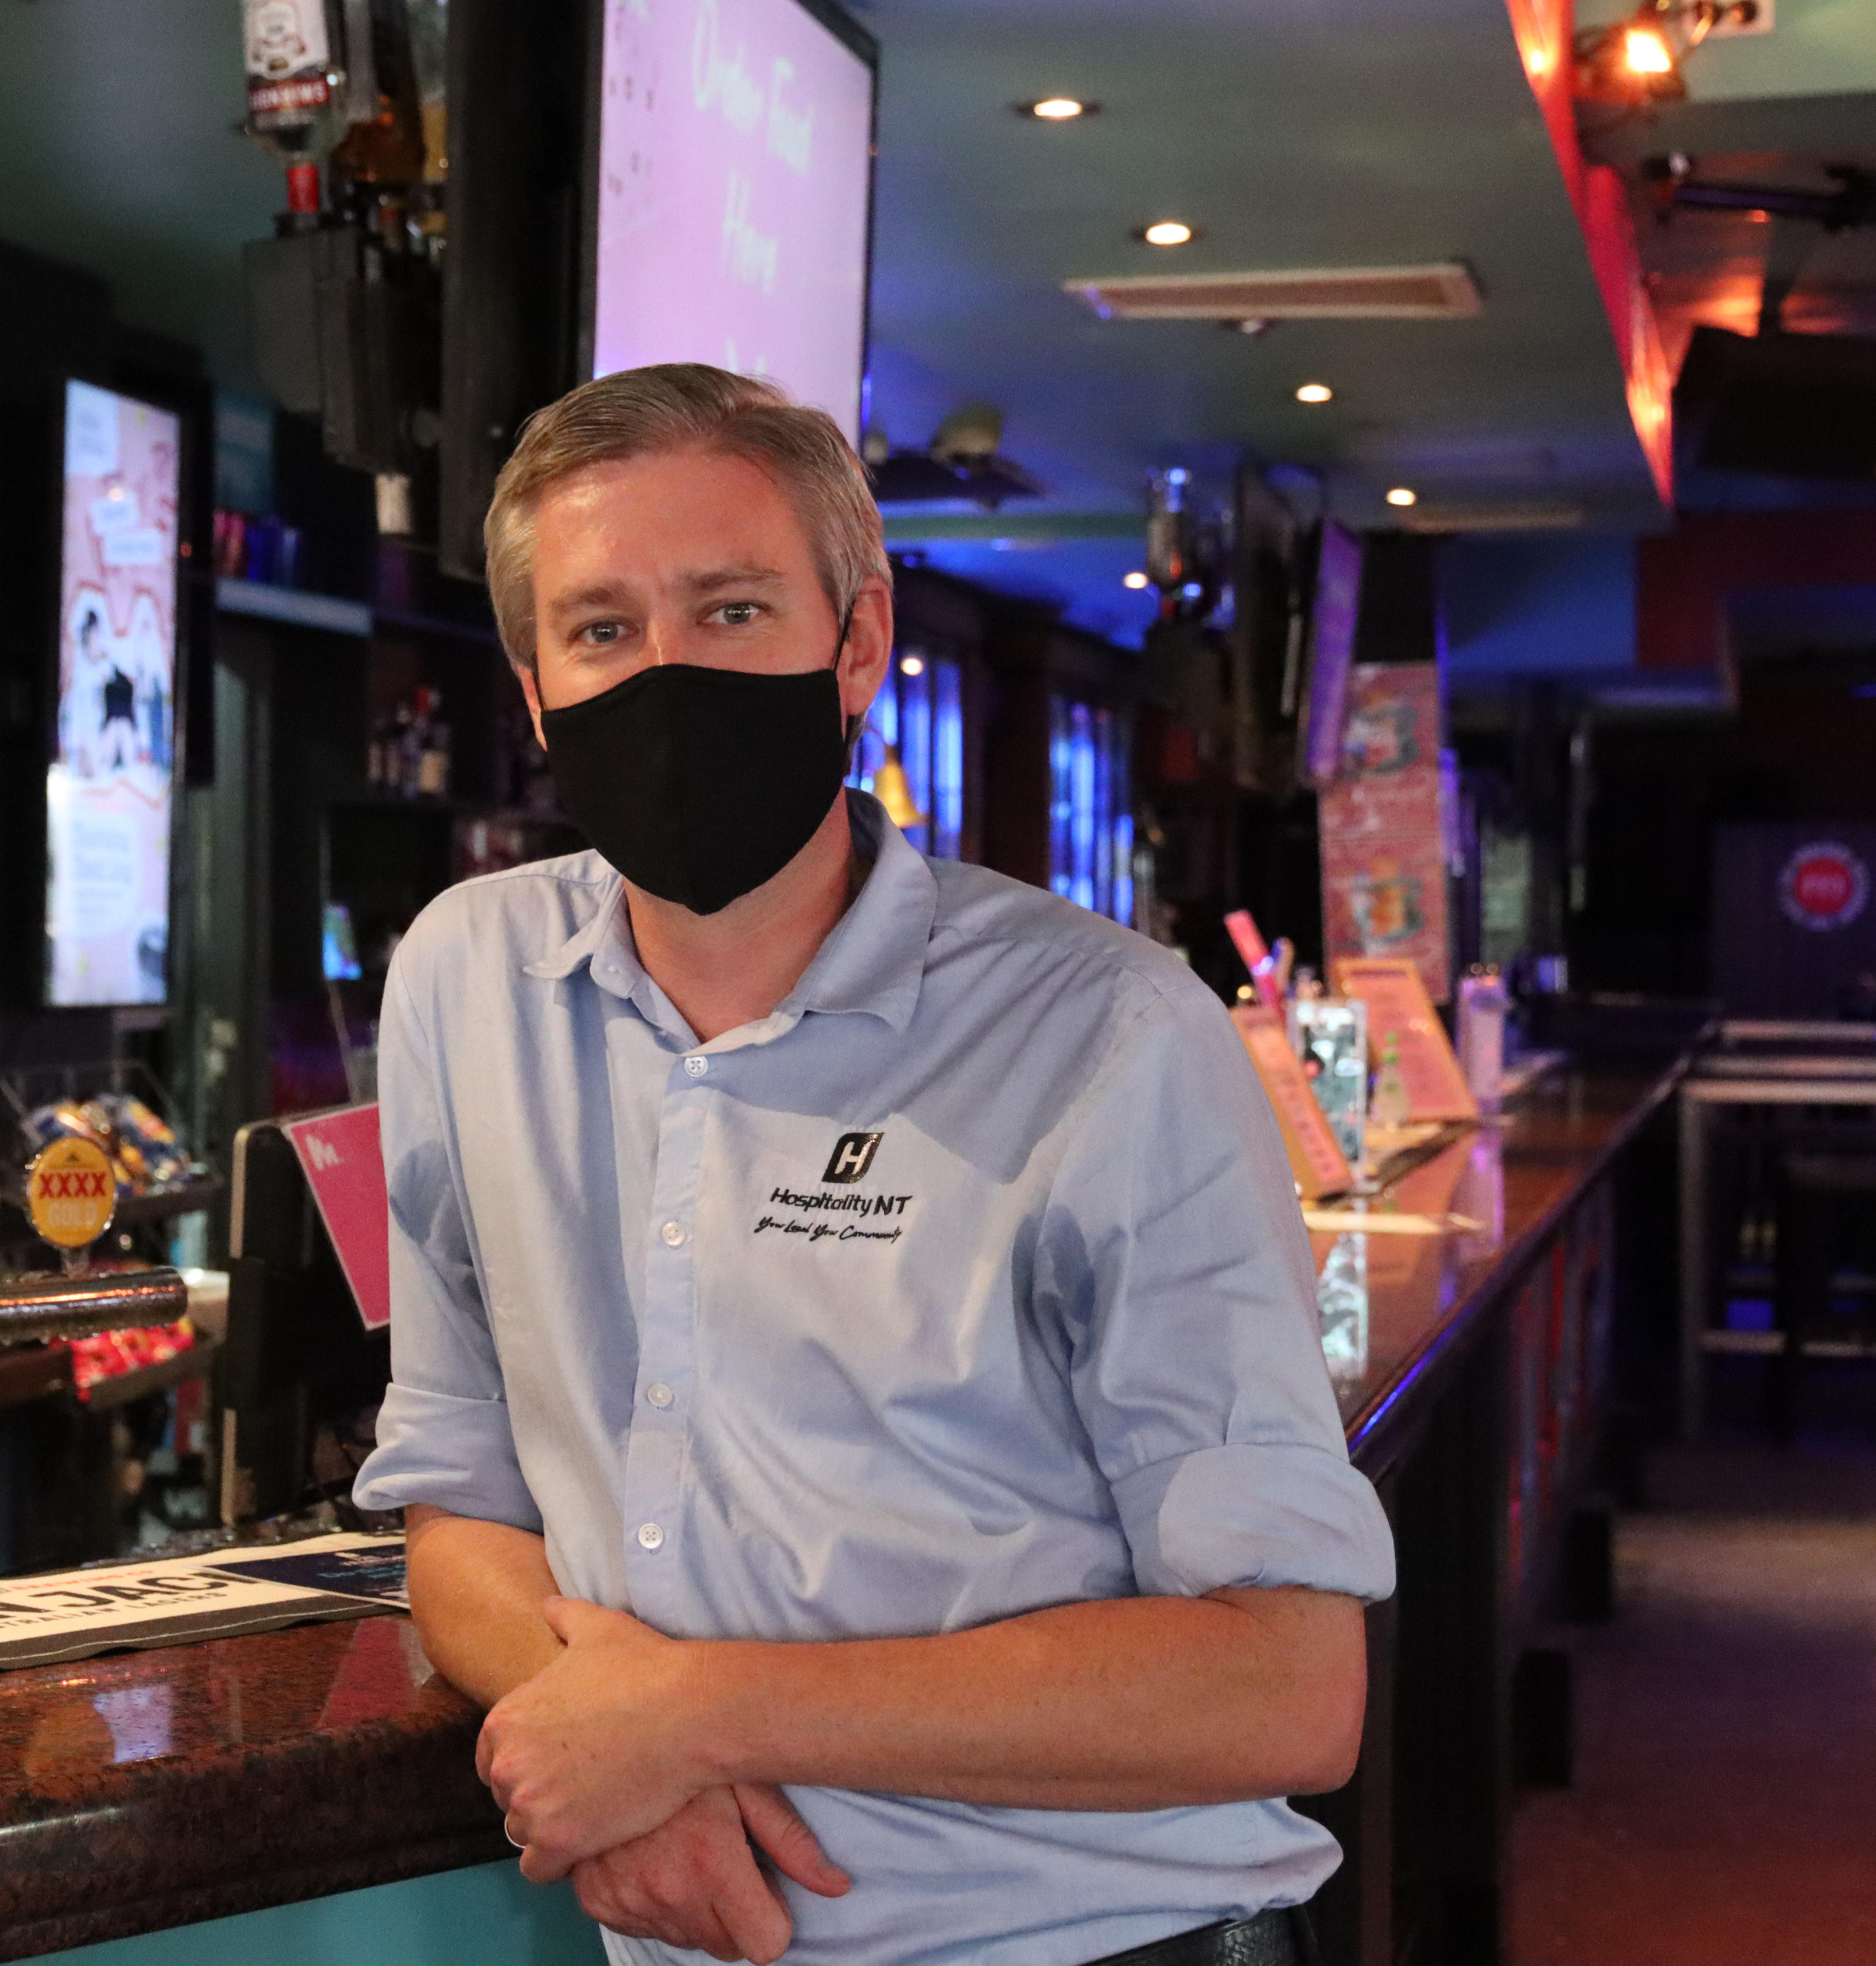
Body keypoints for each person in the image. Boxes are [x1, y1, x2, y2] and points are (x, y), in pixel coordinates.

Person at [349, 365, 1395, 1966]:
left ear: (857, 642)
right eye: (604, 628)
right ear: (536, 686)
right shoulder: (463, 982)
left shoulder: (1111, 1032)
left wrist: (694, 1718)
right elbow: (460, 1508)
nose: (668, 674)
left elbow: (1287, 1684)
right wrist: (628, 1759)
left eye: (734, 609)